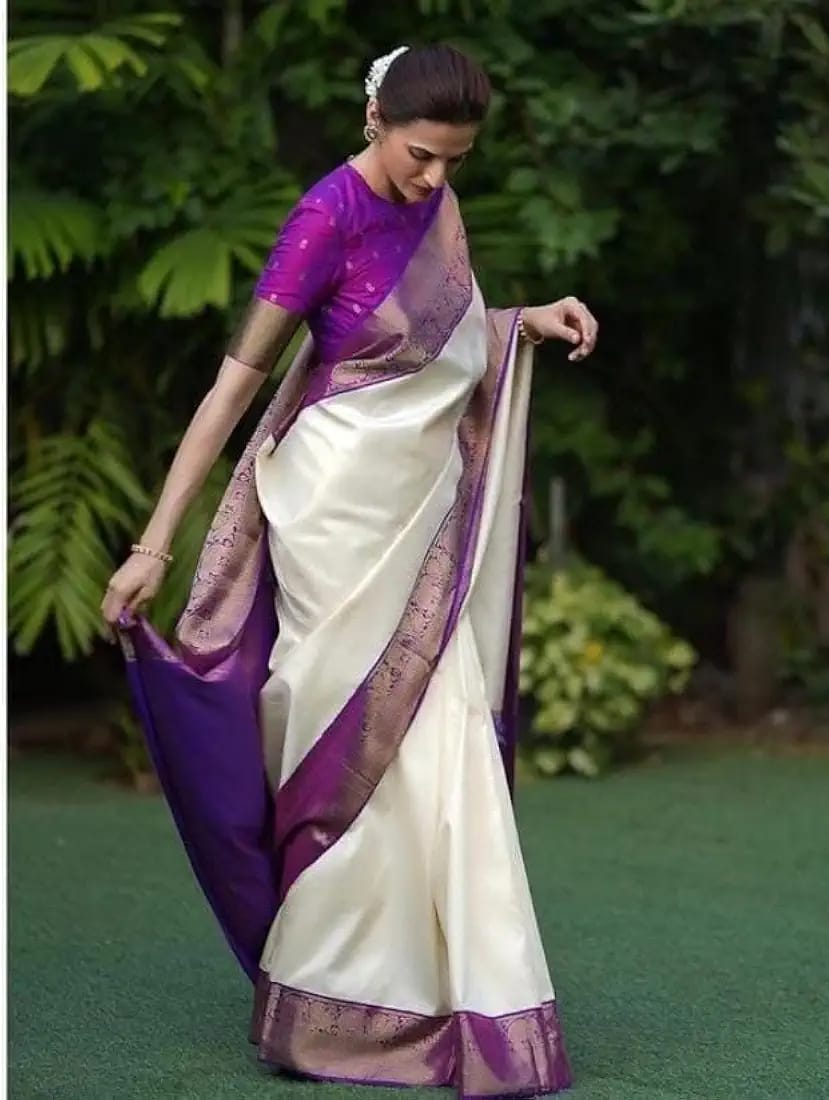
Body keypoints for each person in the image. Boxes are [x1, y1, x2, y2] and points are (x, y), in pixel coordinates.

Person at [101, 42, 597, 1099]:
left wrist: (522, 323)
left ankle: (463, 999)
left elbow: (438, 341)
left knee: (445, 732)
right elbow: (236, 390)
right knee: (356, 752)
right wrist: (153, 541)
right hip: (336, 519)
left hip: (418, 516)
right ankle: (336, 1001)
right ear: (374, 118)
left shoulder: (437, 201)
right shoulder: (323, 217)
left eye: (452, 162)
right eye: (421, 156)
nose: (432, 179)